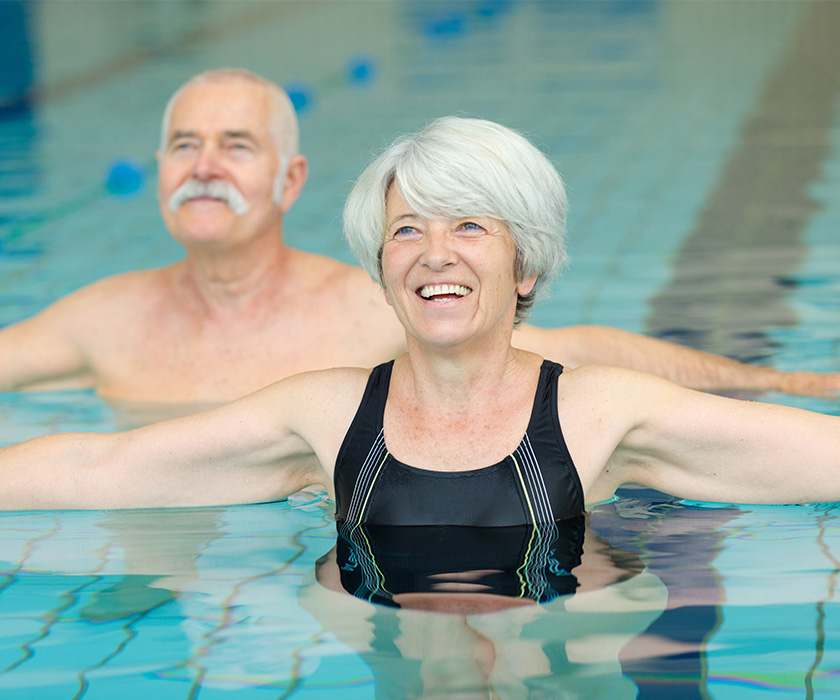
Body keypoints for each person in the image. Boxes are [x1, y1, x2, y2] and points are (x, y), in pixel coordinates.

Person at [2, 115, 840, 517]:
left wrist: (789, 380)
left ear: (527, 265)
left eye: (470, 226)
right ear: (382, 267)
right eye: (407, 230)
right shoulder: (322, 416)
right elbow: (94, 469)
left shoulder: (604, 412)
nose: (434, 253)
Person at [0, 68, 836, 417]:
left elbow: (575, 352)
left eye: (236, 146)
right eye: (184, 146)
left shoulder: (369, 310)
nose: (204, 168)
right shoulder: (102, 318)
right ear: (157, 173)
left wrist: (789, 379)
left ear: (290, 181)